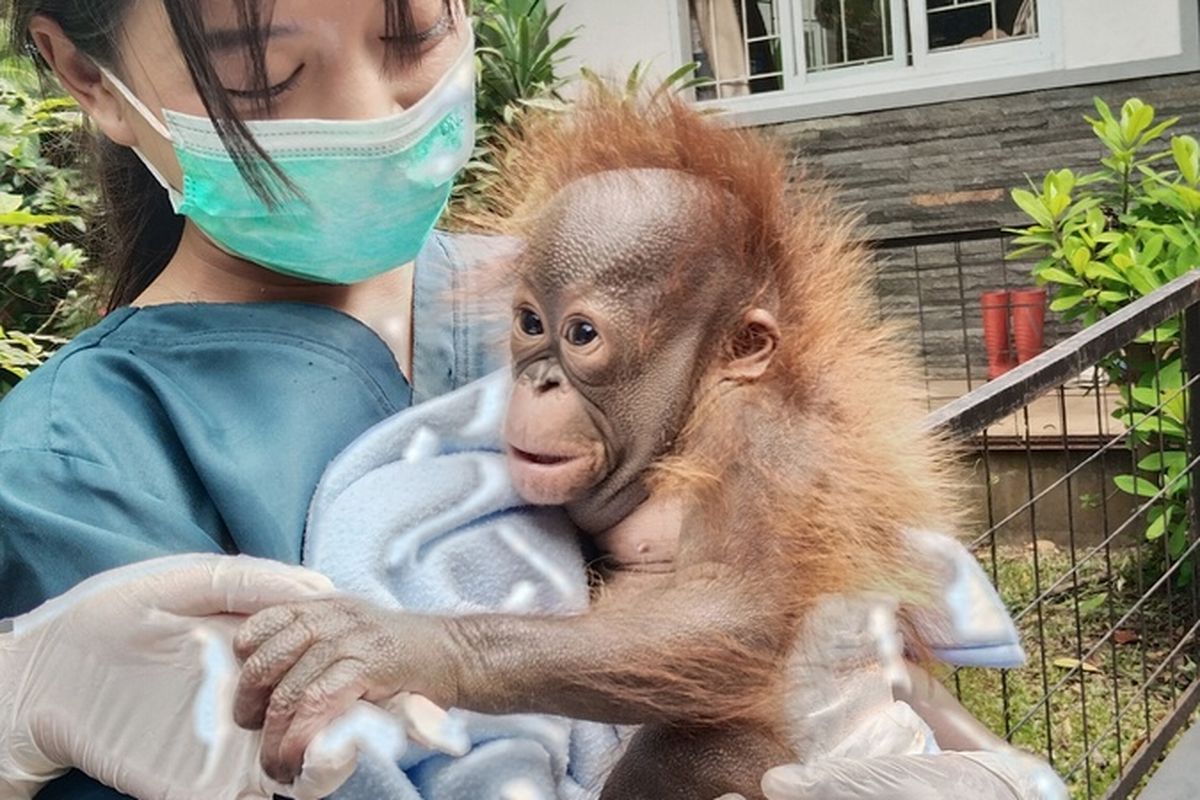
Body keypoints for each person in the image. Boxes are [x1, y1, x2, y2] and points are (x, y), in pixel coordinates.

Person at [0, 2, 1063, 799]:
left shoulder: (592, 283)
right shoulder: (80, 463)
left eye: (411, 31)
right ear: (85, 73)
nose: (372, 113)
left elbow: (804, 618)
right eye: (265, 71)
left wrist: (963, 752)